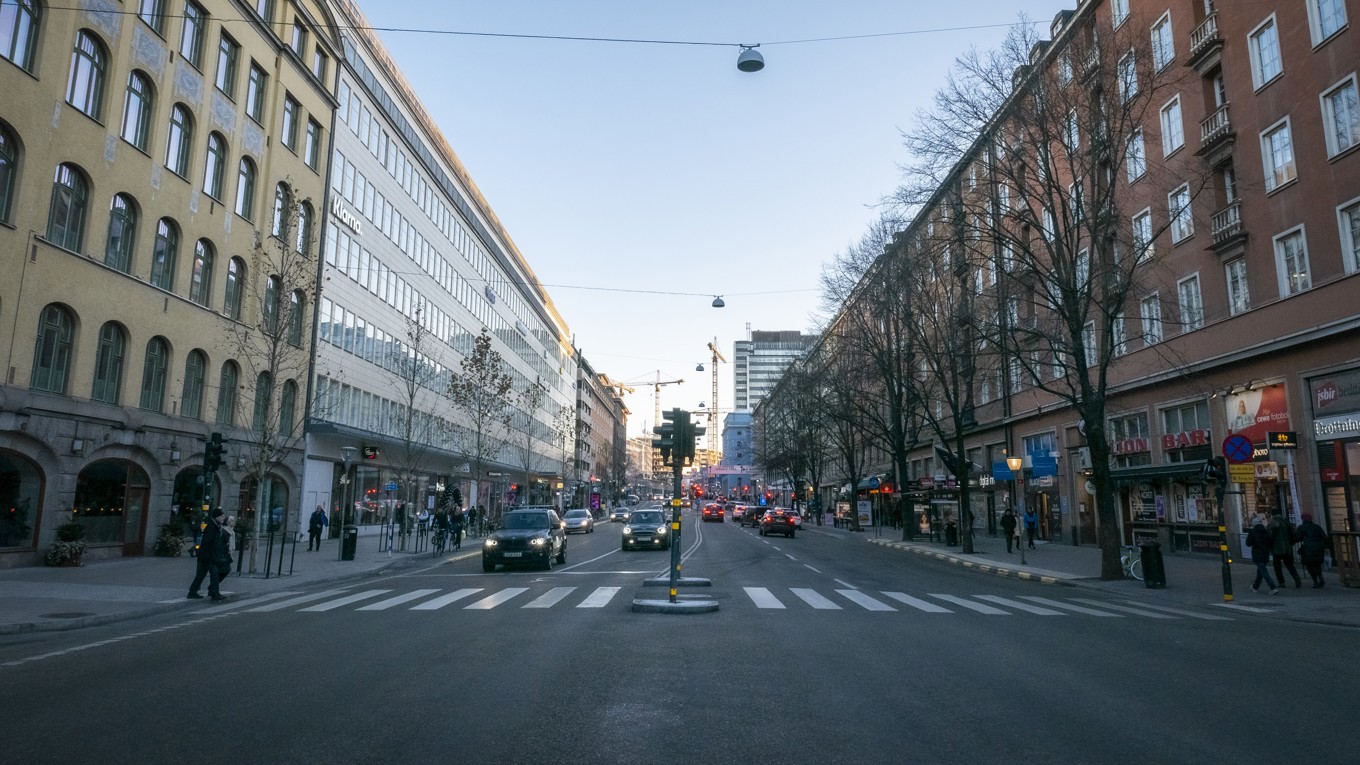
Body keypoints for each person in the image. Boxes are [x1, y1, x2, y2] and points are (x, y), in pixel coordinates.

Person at [188, 508, 229, 601]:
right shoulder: (212, 527)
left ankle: (192, 592)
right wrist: (211, 555)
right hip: (208, 556)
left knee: (201, 575)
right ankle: (214, 593)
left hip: (207, 556)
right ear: (216, 517)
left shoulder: (216, 526)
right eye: (221, 516)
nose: (224, 518)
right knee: (214, 574)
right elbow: (207, 542)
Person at [1246, 514, 1280, 595]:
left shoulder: (1253, 532)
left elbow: (1248, 543)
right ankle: (1255, 586)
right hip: (1265, 554)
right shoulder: (1266, 531)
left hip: (1257, 554)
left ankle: (1273, 587)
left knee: (1263, 571)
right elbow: (1270, 542)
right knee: (1260, 571)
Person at [1296, 513, 1330, 588]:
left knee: (1310, 565)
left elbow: (1298, 538)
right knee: (1317, 564)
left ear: (1303, 519)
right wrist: (1325, 547)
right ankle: (1320, 577)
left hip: (1308, 548)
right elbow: (1325, 538)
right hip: (1318, 548)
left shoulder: (1302, 527)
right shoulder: (1317, 527)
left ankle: (1315, 581)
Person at [1269, 512, 1302, 588]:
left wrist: (1270, 547)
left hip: (1277, 549)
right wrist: (1291, 543)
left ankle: (1281, 582)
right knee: (1290, 565)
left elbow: (1270, 537)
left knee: (1277, 567)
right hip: (1287, 548)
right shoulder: (1286, 524)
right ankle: (1296, 577)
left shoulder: (1273, 524)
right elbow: (1293, 535)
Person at [219, 516, 236, 582]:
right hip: (224, 553)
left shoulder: (231, 531)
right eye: (231, 520)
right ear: (227, 522)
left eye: (234, 520)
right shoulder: (225, 531)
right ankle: (213, 586)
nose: (233, 522)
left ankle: (213, 586)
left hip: (228, 553)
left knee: (225, 570)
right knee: (225, 570)